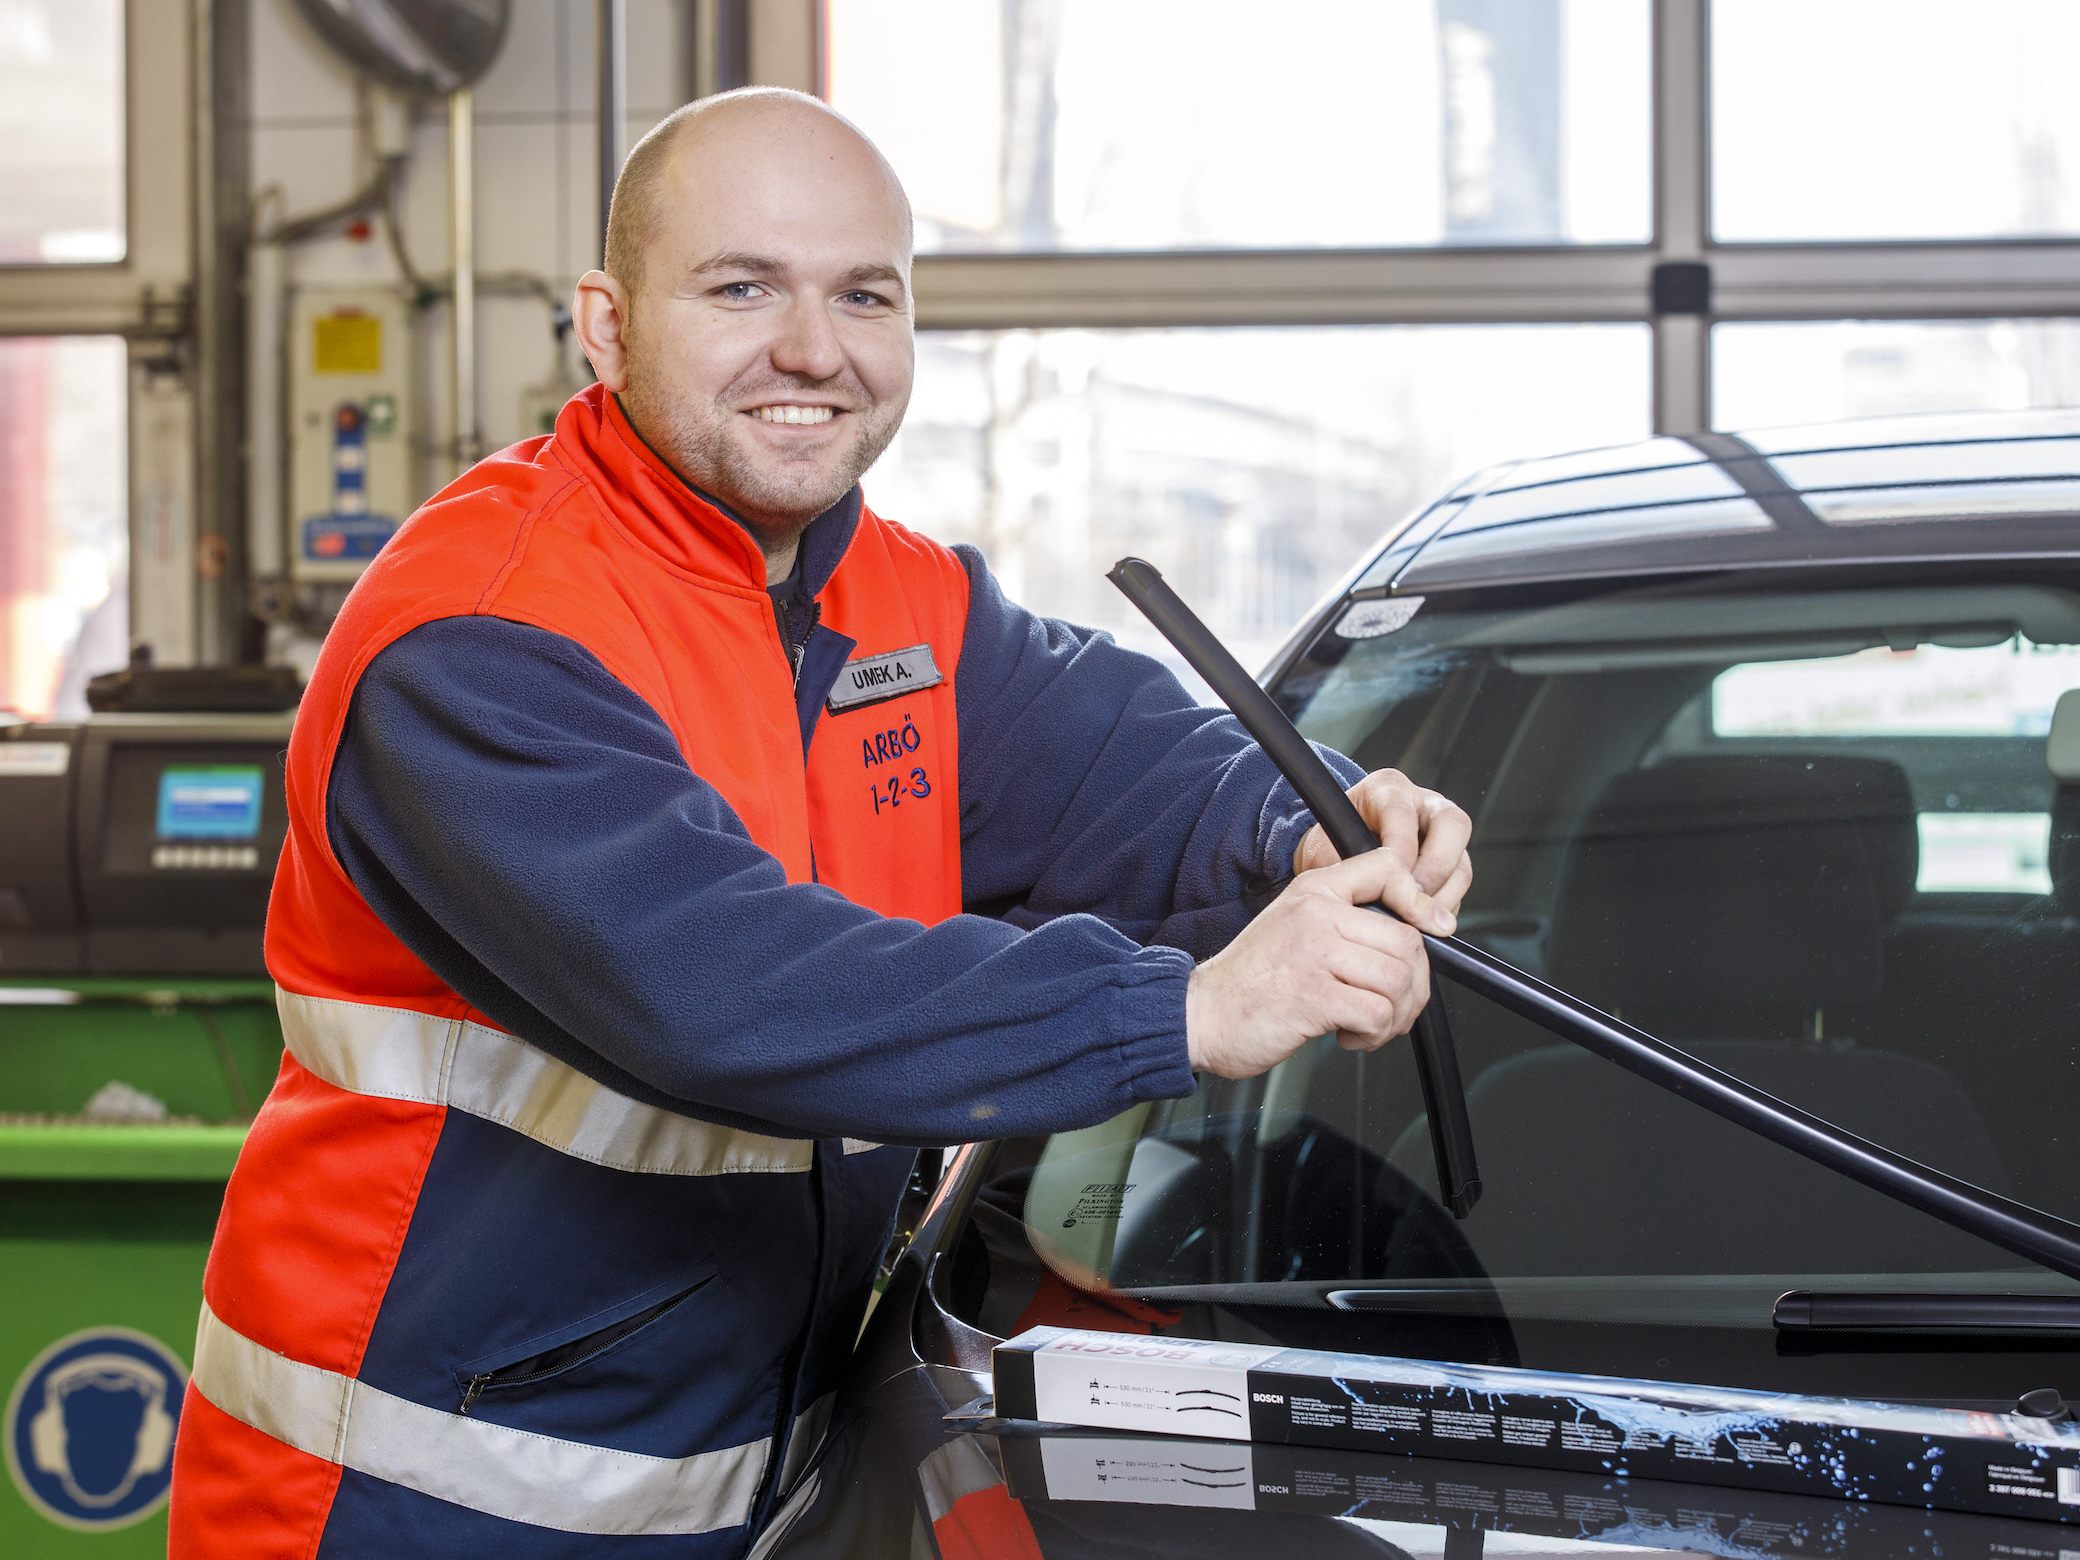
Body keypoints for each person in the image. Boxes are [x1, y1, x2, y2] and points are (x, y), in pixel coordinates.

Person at [166, 88, 1472, 1557]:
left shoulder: (901, 604)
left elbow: (1121, 763)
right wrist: (1185, 1010)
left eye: (865, 294)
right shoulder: (480, 637)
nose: (815, 348)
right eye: (743, 289)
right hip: (416, 1503)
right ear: (605, 325)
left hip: (757, 1485)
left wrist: (1309, 814)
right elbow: (720, 989)